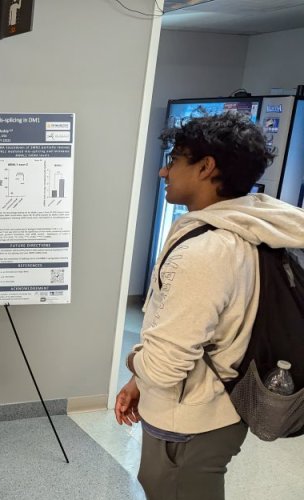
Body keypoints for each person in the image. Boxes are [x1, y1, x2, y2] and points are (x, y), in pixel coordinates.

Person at [115, 113, 304, 500]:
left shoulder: (206, 252)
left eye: (175, 159)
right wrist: (141, 382)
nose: (164, 171)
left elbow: (167, 366)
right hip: (215, 409)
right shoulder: (248, 227)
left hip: (188, 419)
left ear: (205, 167)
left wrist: (136, 363)